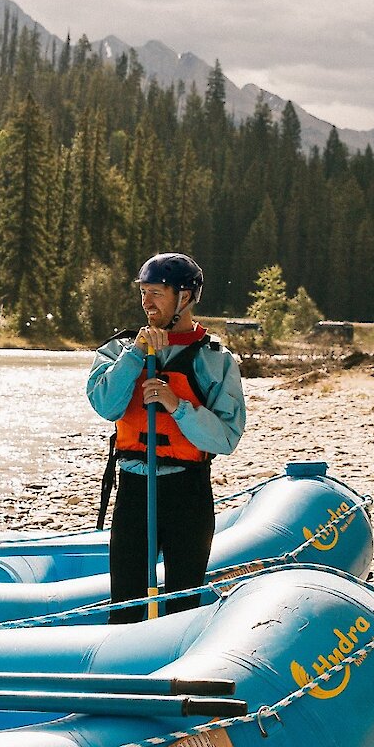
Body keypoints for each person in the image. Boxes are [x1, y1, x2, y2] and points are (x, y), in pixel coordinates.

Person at [86, 252, 245, 624]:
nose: (146, 302)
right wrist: (136, 355)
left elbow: (226, 437)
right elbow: (107, 405)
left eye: (157, 292)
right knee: (125, 606)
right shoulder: (117, 350)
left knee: (182, 607)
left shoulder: (215, 359)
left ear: (185, 297)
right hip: (135, 491)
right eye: (144, 292)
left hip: (187, 494)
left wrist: (179, 407)